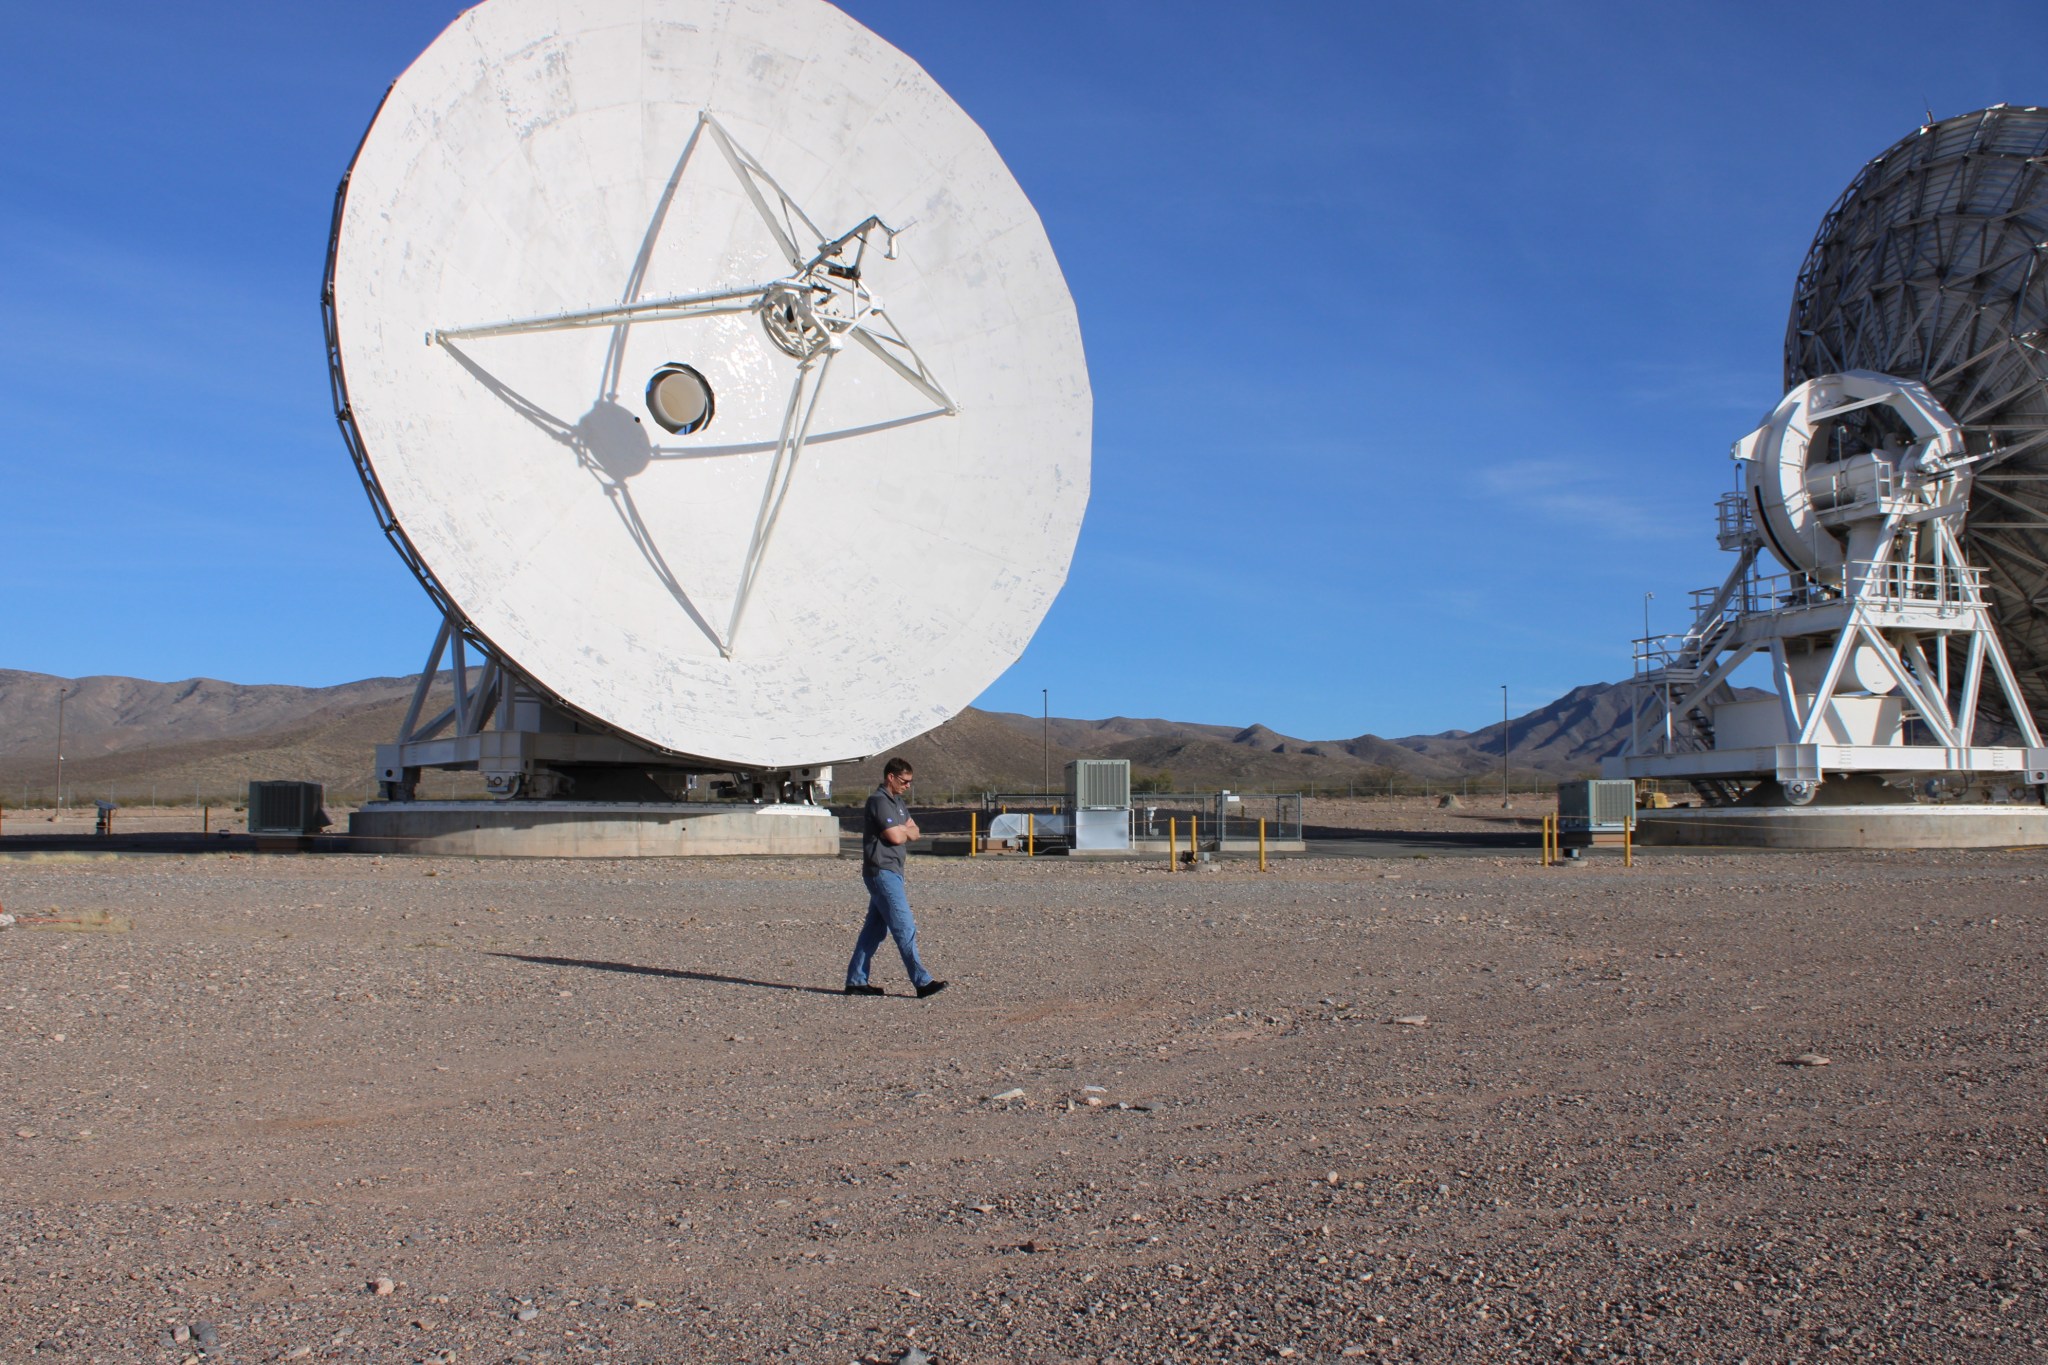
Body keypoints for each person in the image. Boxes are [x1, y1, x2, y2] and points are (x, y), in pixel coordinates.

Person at [844, 757, 947, 999]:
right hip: (882, 871)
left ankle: (856, 981)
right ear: (890, 777)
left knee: (874, 930)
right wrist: (903, 830)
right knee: (904, 925)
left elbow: (915, 831)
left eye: (910, 782)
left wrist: (905, 830)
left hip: (893, 871)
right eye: (904, 781)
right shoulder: (879, 802)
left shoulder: (897, 803)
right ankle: (922, 982)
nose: (907, 786)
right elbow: (896, 837)